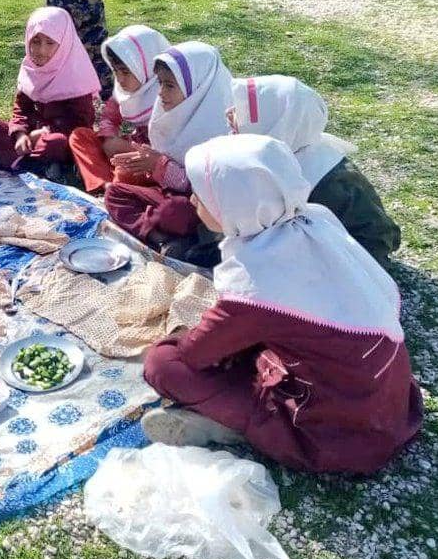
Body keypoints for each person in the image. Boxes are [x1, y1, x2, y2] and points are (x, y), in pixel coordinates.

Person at [141, 134, 423, 474]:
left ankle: (238, 428)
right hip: (387, 403)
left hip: (333, 433)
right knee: (241, 348)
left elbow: (194, 354)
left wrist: (192, 339)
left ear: (234, 204)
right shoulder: (314, 219)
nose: (192, 199)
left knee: (163, 363)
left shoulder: (258, 282)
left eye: (202, 194)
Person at [226, 75, 401, 269]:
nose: (229, 114)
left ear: (276, 122)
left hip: (343, 268)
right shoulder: (292, 149)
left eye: (241, 111)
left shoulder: (327, 180)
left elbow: (376, 238)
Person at [103, 41, 232, 251]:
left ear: (198, 87)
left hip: (202, 205)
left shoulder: (221, 126)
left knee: (175, 211)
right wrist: (149, 162)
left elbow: (207, 188)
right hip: (168, 192)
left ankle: (190, 240)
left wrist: (160, 166)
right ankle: (159, 238)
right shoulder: (171, 113)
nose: (160, 93)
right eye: (160, 83)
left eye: (170, 85)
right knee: (114, 193)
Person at [0, 6, 99, 179]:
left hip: (60, 137)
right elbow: (21, 109)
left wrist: (43, 133)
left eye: (50, 43)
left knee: (55, 143)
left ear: (64, 43)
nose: (41, 51)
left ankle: (24, 161)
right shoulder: (31, 68)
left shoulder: (76, 75)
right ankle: (31, 162)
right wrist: (20, 134)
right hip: (32, 133)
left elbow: (81, 124)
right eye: (35, 42)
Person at [69, 24, 172, 193]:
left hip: (147, 163)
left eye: (125, 72)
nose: (119, 79)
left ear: (147, 67)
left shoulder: (167, 96)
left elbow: (169, 151)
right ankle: (104, 185)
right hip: (121, 152)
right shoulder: (124, 93)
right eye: (115, 71)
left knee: (126, 171)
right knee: (80, 137)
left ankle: (117, 188)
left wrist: (129, 148)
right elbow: (107, 117)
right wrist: (110, 138)